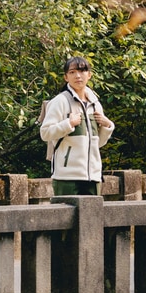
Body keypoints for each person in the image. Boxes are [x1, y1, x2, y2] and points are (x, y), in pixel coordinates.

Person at [39, 55, 114, 195]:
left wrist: (107, 126)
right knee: (64, 217)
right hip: (67, 177)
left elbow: (98, 144)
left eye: (82, 71)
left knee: (93, 217)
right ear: (66, 77)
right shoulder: (60, 101)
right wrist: (69, 123)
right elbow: (45, 133)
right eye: (72, 72)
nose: (78, 76)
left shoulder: (95, 104)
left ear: (89, 75)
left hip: (93, 176)